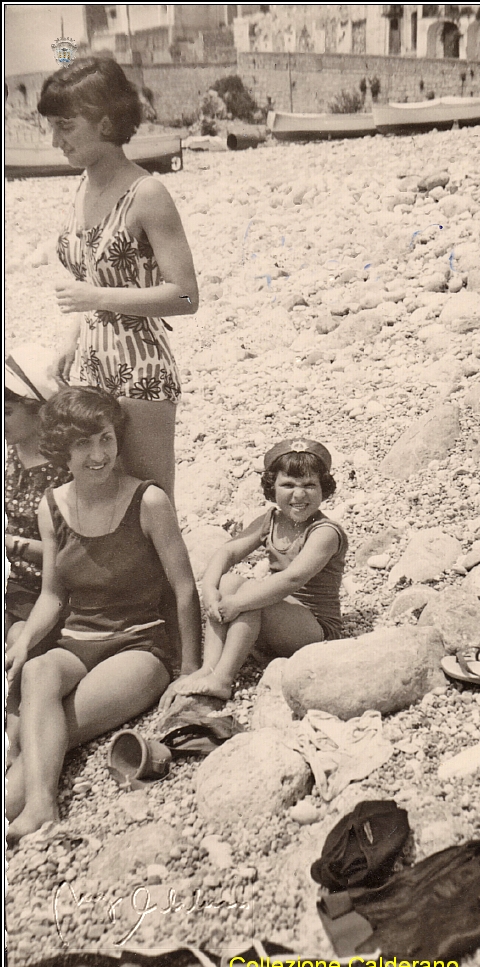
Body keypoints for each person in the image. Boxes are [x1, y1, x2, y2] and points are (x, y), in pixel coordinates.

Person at [5, 387, 202, 843]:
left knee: (44, 739)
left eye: (106, 439)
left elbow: (184, 587)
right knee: (36, 671)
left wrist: (189, 669)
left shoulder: (148, 502)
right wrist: (21, 641)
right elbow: (52, 596)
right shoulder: (51, 506)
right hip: (77, 641)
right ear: (62, 450)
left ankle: (39, 806)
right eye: (83, 444)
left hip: (139, 646)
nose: (98, 455)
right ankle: (38, 805)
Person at [36, 56, 199, 501]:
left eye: (66, 126)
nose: (55, 141)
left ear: (106, 122)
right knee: (100, 506)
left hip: (139, 369)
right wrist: (70, 342)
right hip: (88, 367)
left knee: (149, 503)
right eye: (53, 127)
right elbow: (92, 280)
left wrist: (93, 296)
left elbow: (185, 297)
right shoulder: (83, 187)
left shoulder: (147, 194)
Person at [160, 439, 348, 707]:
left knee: (250, 592)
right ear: (272, 487)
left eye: (309, 485)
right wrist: (211, 589)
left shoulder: (325, 532)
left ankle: (223, 678)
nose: (299, 495)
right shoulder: (271, 520)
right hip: (278, 615)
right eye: (288, 485)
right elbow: (228, 552)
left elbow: (291, 579)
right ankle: (209, 668)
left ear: (323, 489)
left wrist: (238, 603)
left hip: (315, 629)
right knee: (229, 581)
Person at [5, 344, 70, 646]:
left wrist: (14, 545)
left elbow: (76, 552)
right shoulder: (9, 455)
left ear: (40, 409)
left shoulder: (66, 468)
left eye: (7, 411)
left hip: (49, 591)